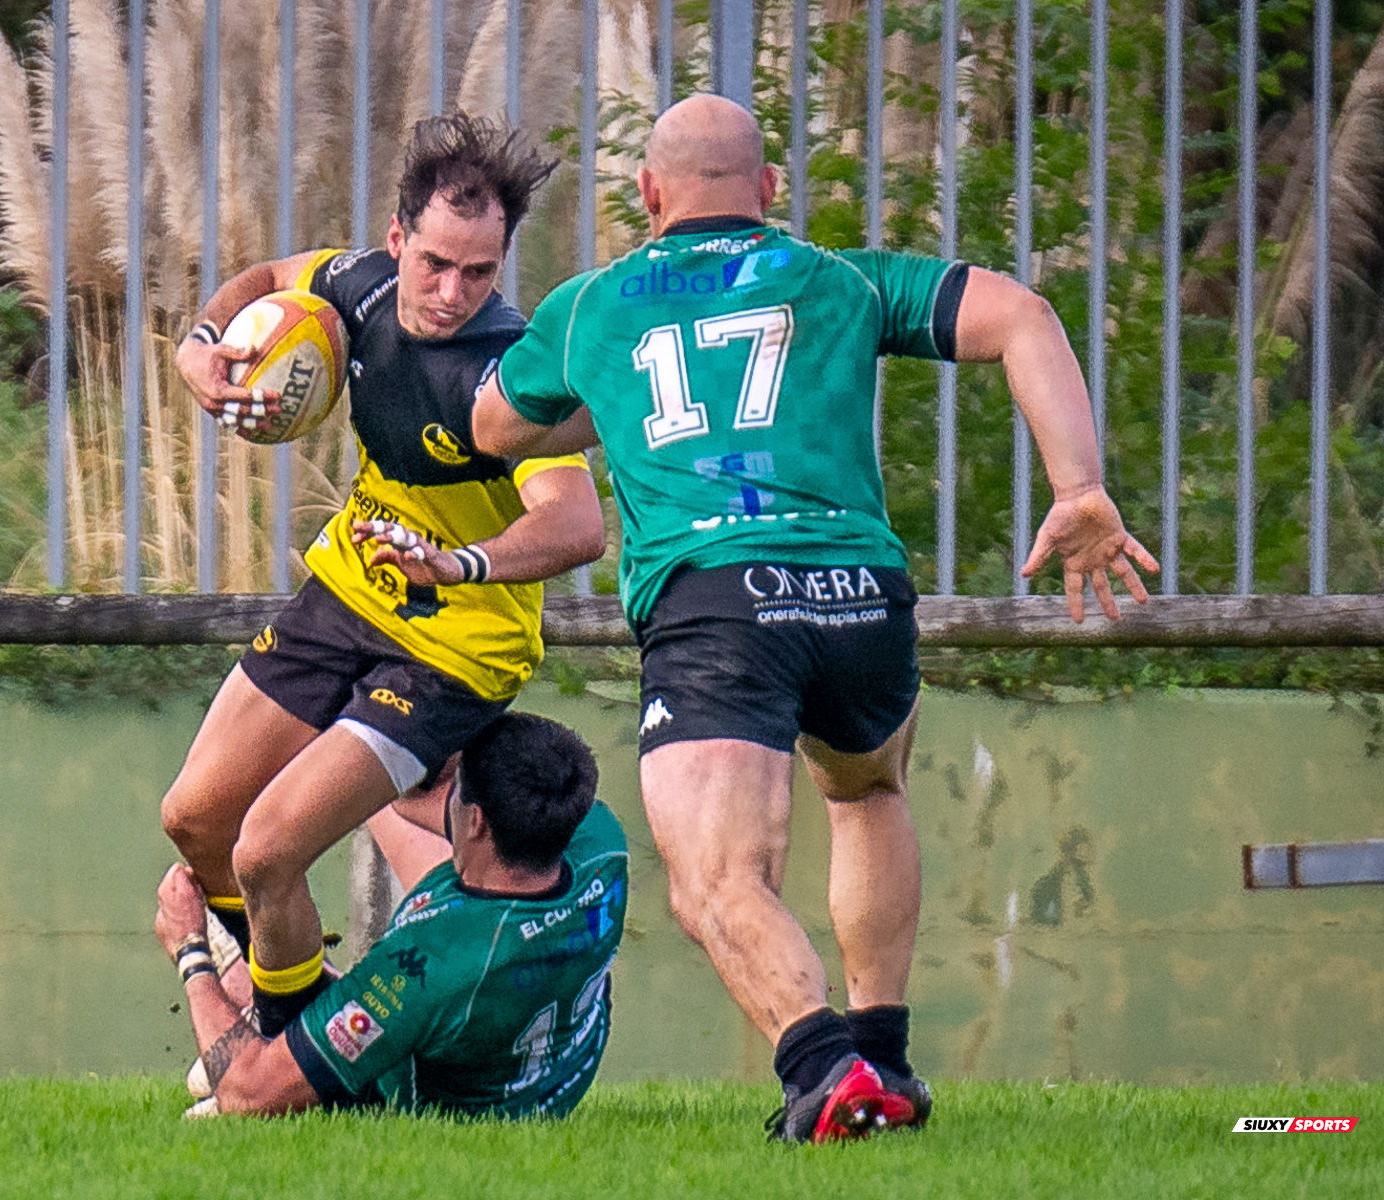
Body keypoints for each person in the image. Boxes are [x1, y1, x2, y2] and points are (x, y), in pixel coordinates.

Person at [469, 94, 1158, 1143]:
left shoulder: (592, 306)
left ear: (647, 194)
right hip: (859, 598)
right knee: (867, 789)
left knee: (715, 879)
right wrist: (1078, 488)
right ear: (771, 193)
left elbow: (495, 426)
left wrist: (616, 397)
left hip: (716, 599)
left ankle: (830, 1071)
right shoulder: (840, 281)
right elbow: (1022, 313)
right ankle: (885, 1058)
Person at [164, 111, 606, 1039]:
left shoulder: (506, 376)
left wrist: (460, 562)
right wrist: (199, 342)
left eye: (479, 272)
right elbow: (276, 278)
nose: (452, 293)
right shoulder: (360, 287)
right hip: (351, 590)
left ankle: (283, 1054)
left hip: (454, 645)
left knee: (270, 847)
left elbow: (576, 525)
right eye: (434, 263)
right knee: (197, 820)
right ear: (397, 238)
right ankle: (293, 999)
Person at [153, 713, 628, 1118]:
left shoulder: (424, 967)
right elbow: (407, 800)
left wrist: (189, 949)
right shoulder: (599, 839)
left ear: (478, 820)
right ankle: (256, 983)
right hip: (548, 1073)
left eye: (457, 787)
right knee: (377, 795)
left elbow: (250, 1094)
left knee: (246, 1081)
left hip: (423, 1091)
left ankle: (233, 970)